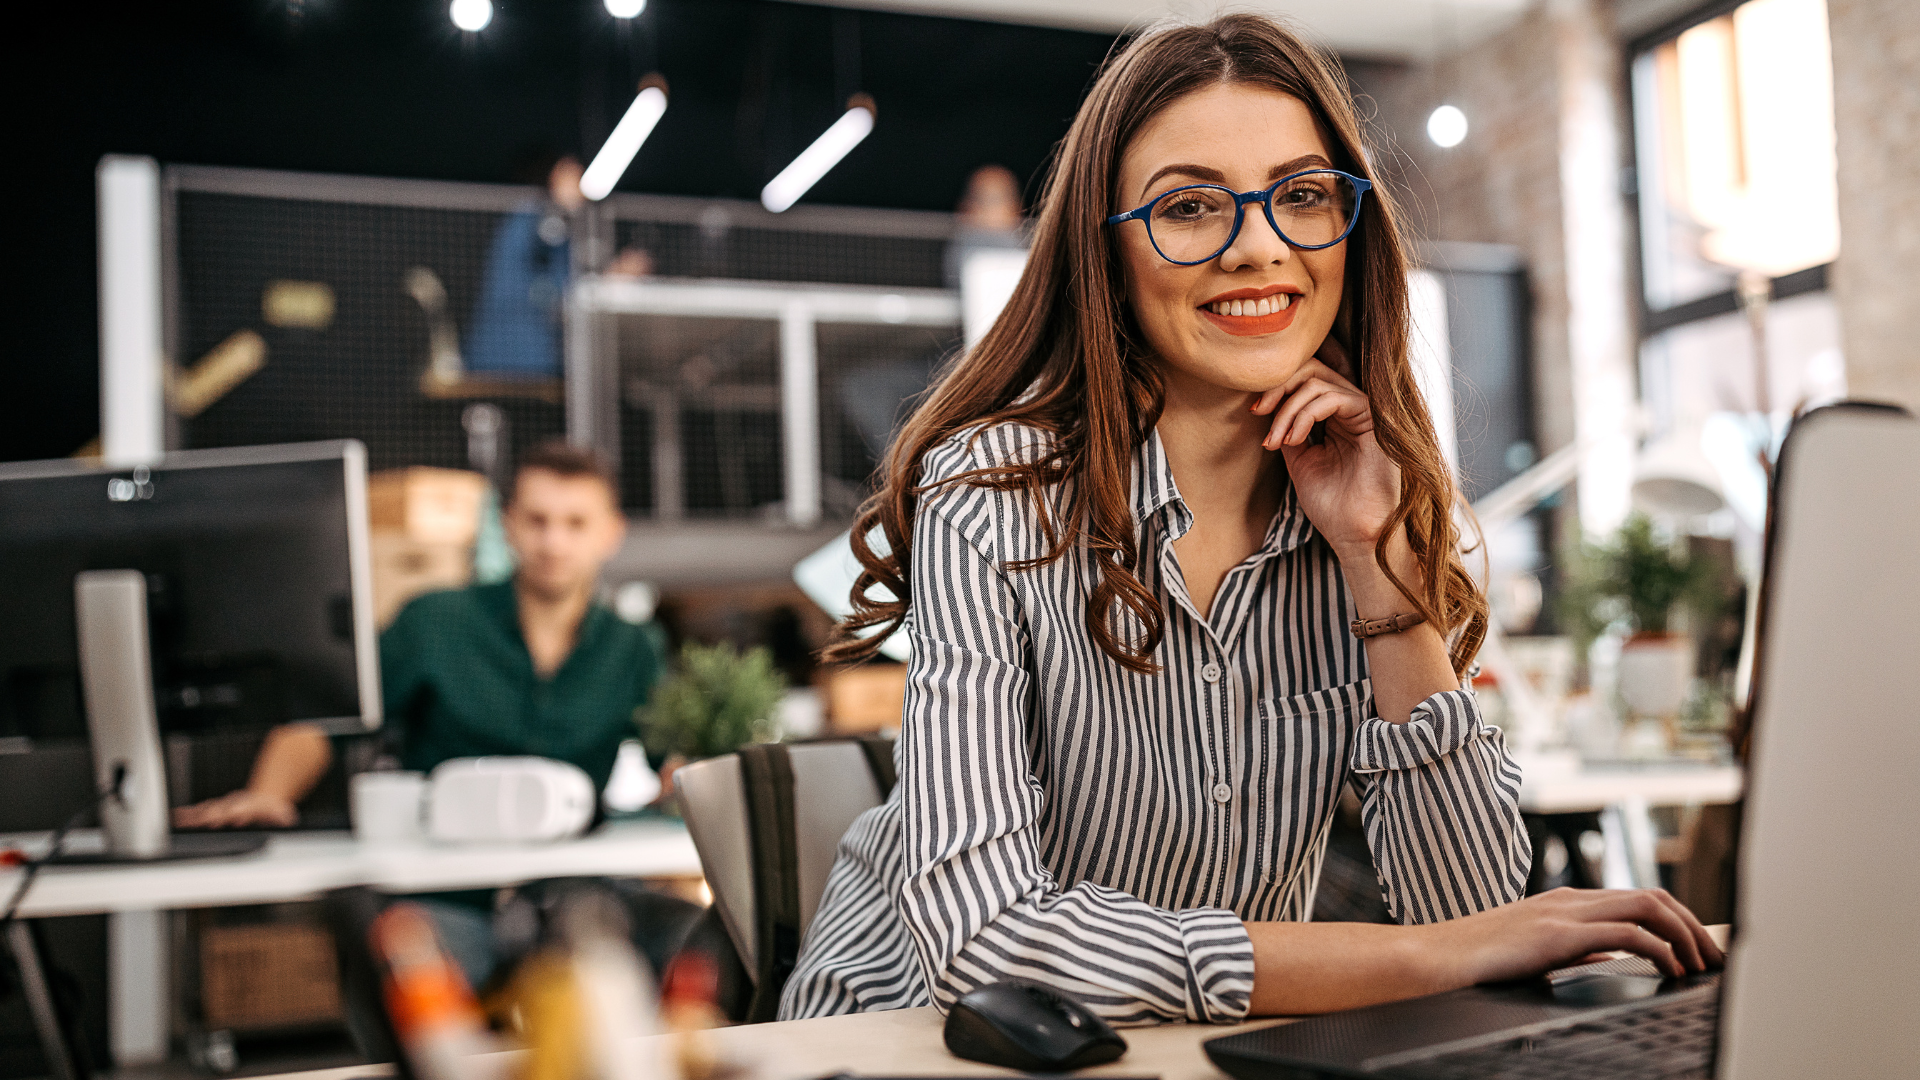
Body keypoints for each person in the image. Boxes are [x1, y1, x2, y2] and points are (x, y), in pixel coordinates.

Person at [780, 14, 1721, 1025]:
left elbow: (1474, 915)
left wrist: (1378, 568)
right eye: (1189, 207)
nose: (1259, 247)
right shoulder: (995, 495)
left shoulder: (1364, 500)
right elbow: (987, 940)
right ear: (1108, 250)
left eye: (1303, 196)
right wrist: (1413, 958)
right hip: (903, 1035)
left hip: (1179, 1046)